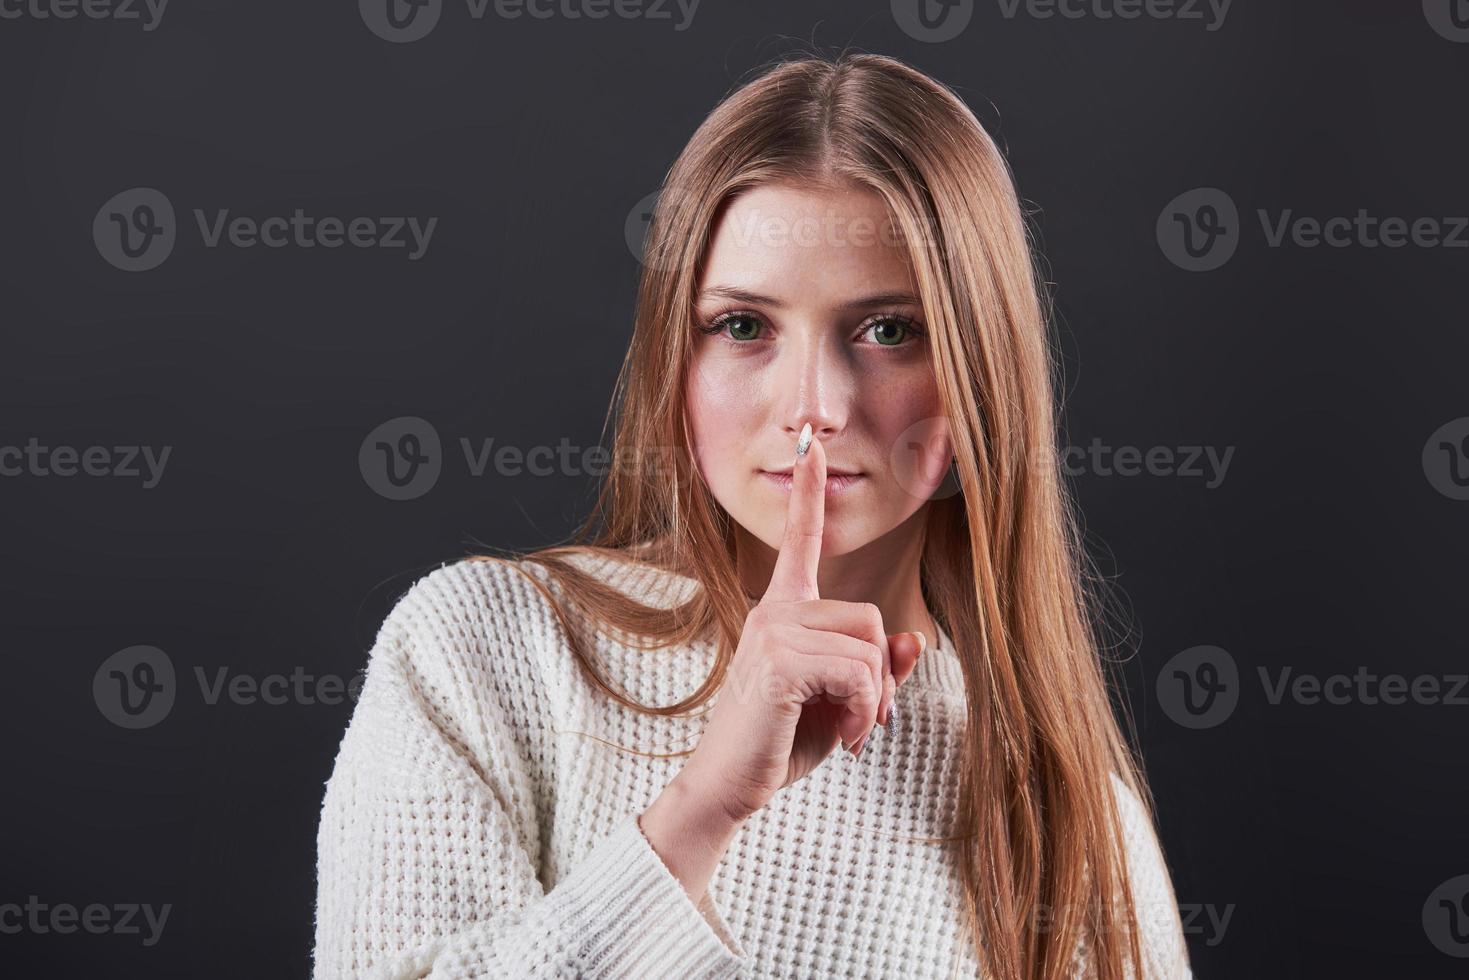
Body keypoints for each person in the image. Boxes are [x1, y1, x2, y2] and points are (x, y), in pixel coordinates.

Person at [313, 51, 1193, 979]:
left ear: (980, 372)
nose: (812, 404)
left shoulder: (1073, 824)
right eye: (742, 326)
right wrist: (699, 812)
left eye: (888, 330)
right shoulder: (484, 650)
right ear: (674, 356)